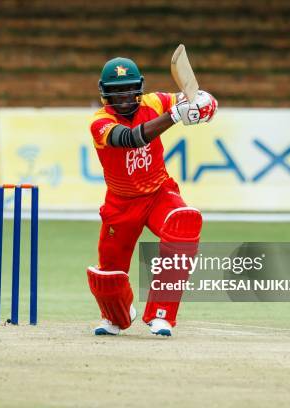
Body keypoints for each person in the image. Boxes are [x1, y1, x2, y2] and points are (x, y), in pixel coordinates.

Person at [87, 56, 217, 337]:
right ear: (105, 93)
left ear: (138, 88)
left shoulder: (154, 101)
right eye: (116, 91)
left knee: (184, 226)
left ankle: (162, 315)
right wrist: (175, 115)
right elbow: (132, 138)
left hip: (159, 193)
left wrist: (204, 102)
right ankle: (115, 317)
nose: (123, 97)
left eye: (129, 89)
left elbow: (189, 99)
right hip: (121, 203)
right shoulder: (100, 123)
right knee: (108, 275)